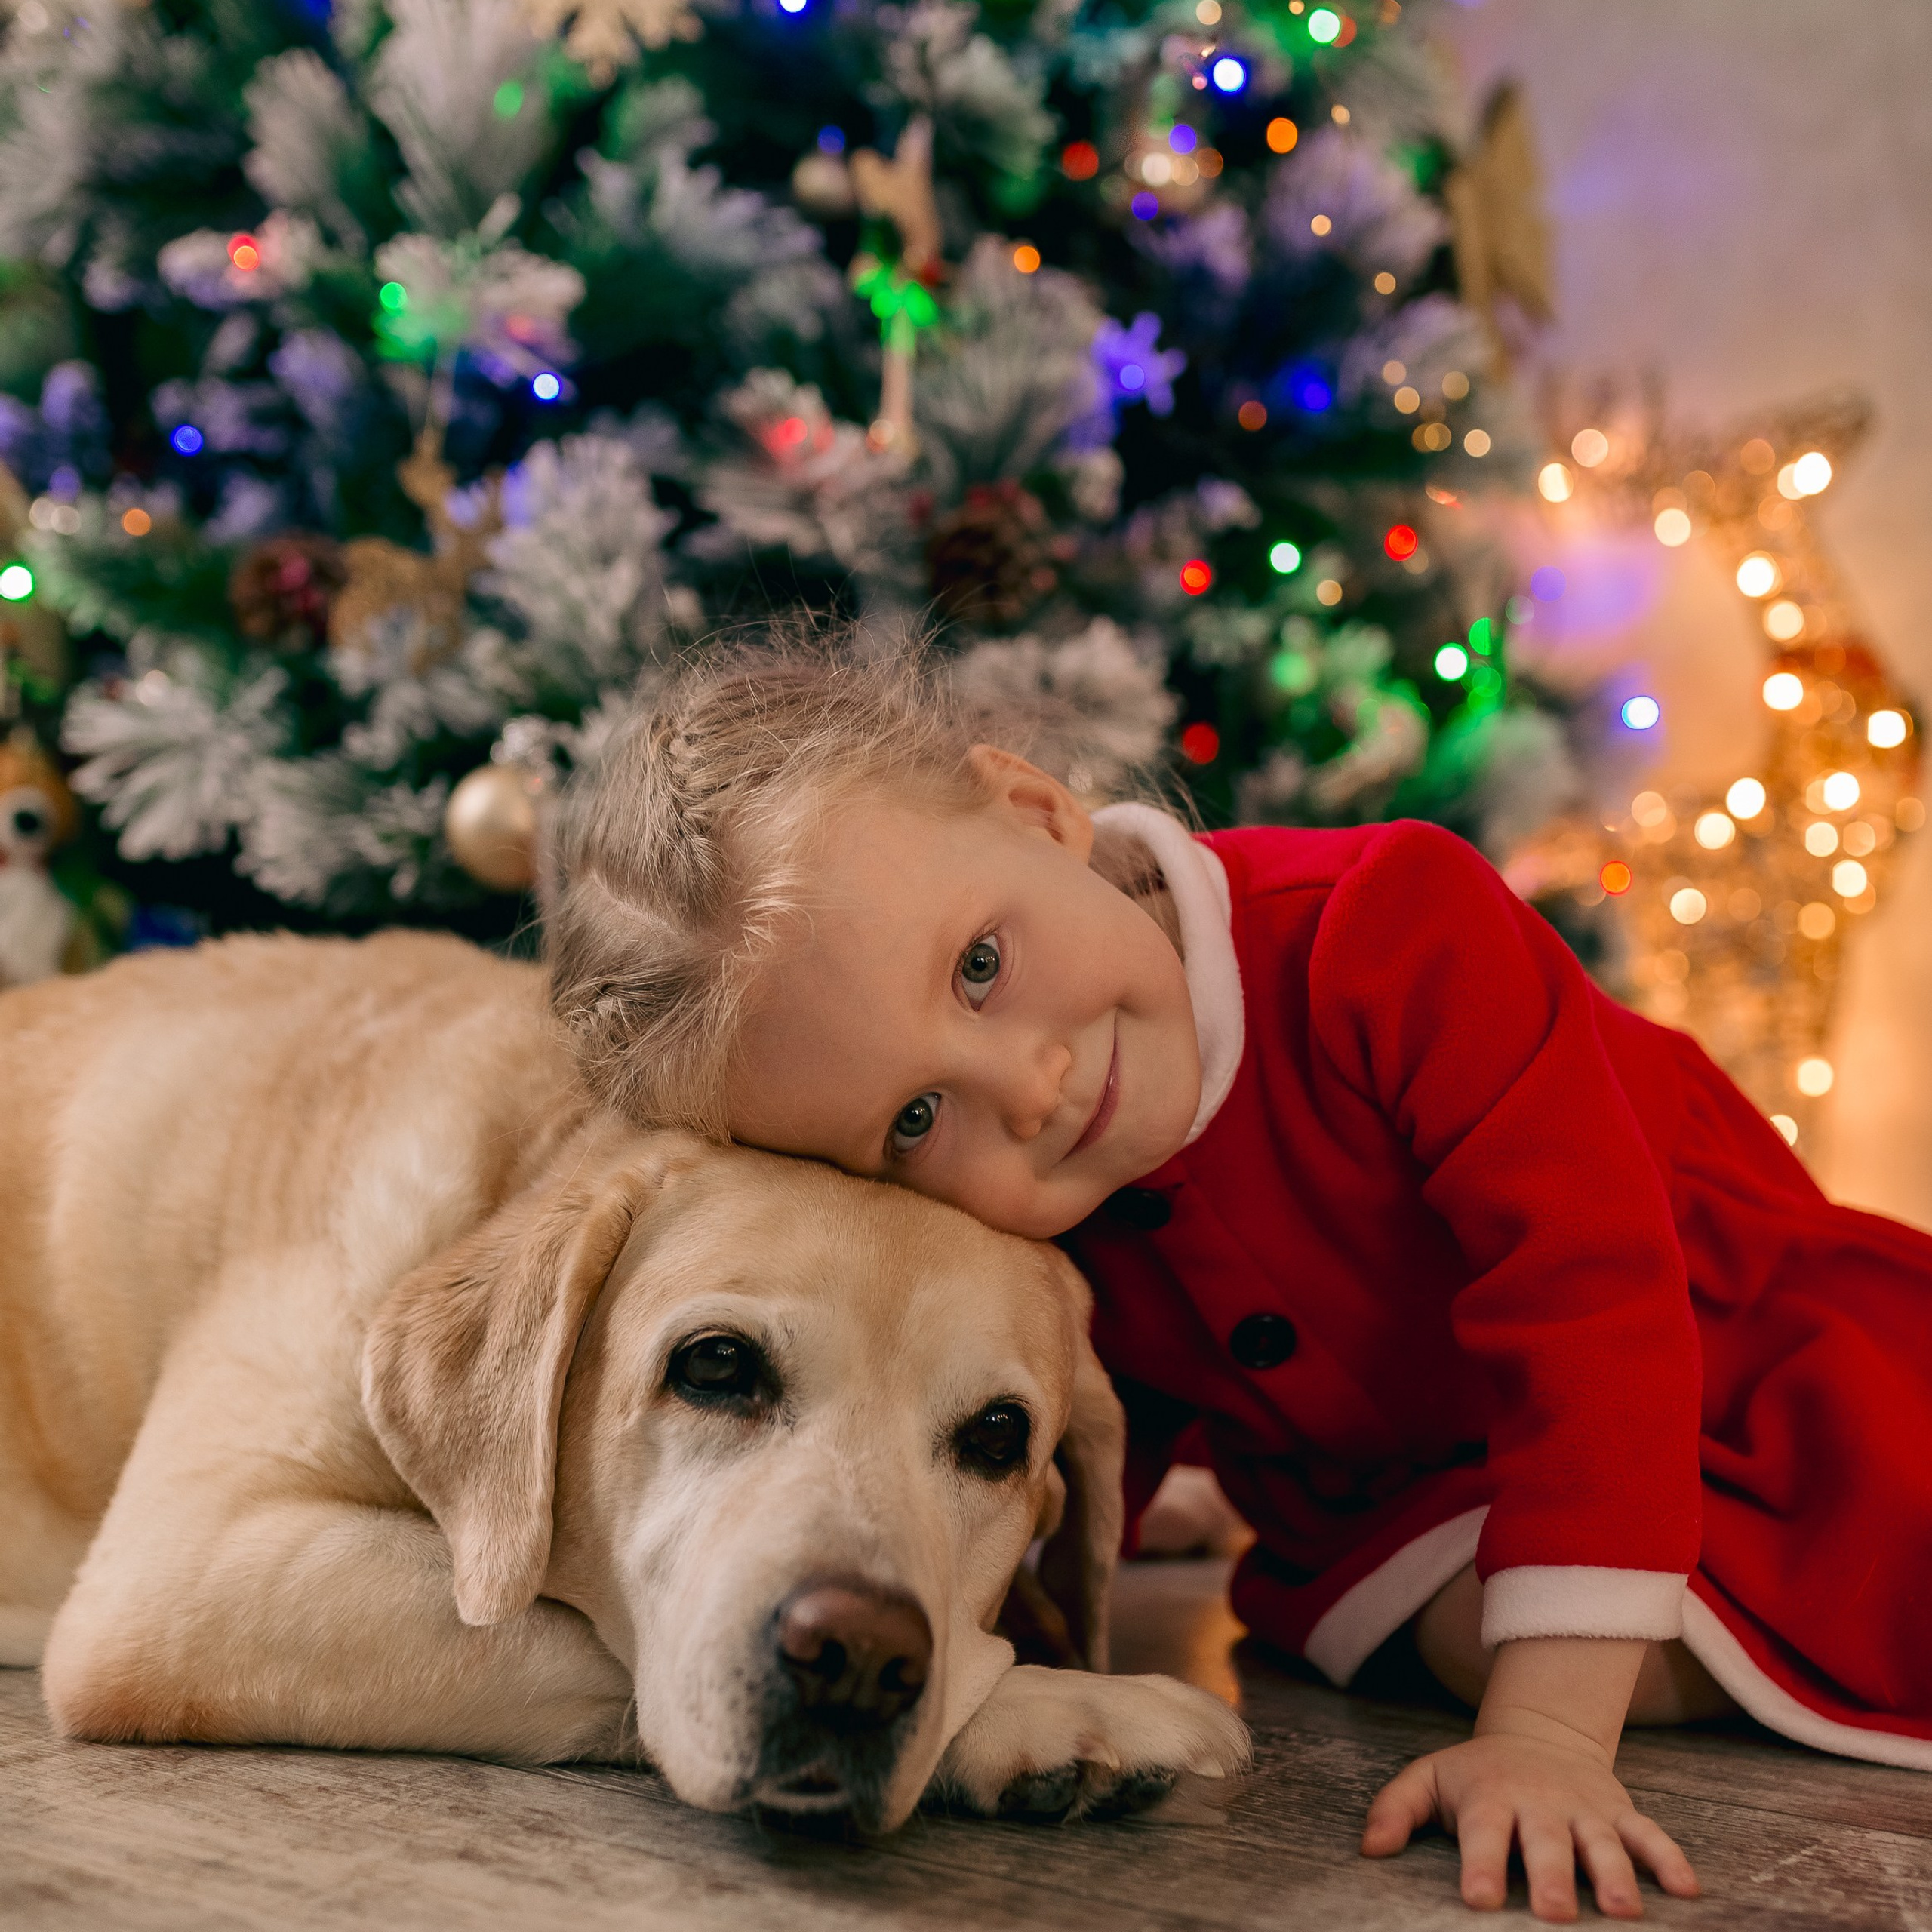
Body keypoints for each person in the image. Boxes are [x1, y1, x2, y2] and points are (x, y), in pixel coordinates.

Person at [547, 641, 1932, 1921]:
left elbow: (1596, 1298)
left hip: (1721, 1359)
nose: (1028, 1087)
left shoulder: (1388, 927)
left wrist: (1551, 1740)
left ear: (1035, 812)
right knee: (1440, 1633)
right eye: (916, 1119)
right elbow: (1094, 1408)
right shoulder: (1042, 1203)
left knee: (1847, 1566)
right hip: (1407, 1486)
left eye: (981, 965)